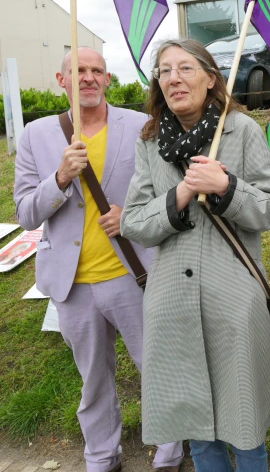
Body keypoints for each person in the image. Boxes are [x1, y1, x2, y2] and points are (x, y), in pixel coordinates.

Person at [13, 47, 184, 472]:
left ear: (108, 79)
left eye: (97, 71)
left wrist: (132, 216)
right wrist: (59, 179)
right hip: (72, 284)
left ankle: (170, 450)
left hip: (133, 272)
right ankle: (102, 455)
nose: (88, 78)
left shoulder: (141, 126)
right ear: (61, 79)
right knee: (93, 378)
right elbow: (25, 213)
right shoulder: (36, 135)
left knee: (154, 367)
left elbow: (171, 188)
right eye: (79, 71)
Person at [120, 38, 270, 472]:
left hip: (232, 303)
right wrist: (181, 193)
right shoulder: (150, 141)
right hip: (172, 304)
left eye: (185, 68)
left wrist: (226, 187)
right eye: (165, 70)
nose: (173, 78)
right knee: (197, 429)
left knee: (244, 427)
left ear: (211, 79)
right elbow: (133, 223)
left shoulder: (241, 130)